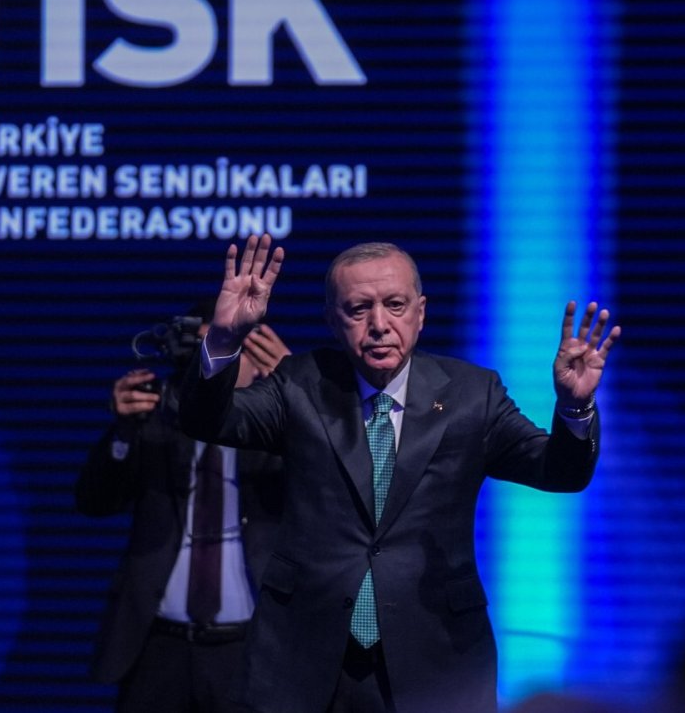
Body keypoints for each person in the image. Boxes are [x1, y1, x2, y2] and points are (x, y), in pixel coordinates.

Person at [178, 236, 621, 713]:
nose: (379, 326)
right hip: (304, 656)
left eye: (395, 305)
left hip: (436, 654)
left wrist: (575, 407)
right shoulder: (300, 383)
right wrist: (224, 339)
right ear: (332, 319)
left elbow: (559, 472)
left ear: (420, 312)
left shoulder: (474, 394)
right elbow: (208, 420)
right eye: (358, 309)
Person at [76, 302, 291, 712]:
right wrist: (122, 432)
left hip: (251, 648)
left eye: (231, 348)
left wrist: (298, 395)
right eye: (210, 349)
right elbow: (95, 502)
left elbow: (337, 486)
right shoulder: (158, 418)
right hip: (159, 647)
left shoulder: (284, 428)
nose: (216, 364)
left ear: (261, 356)